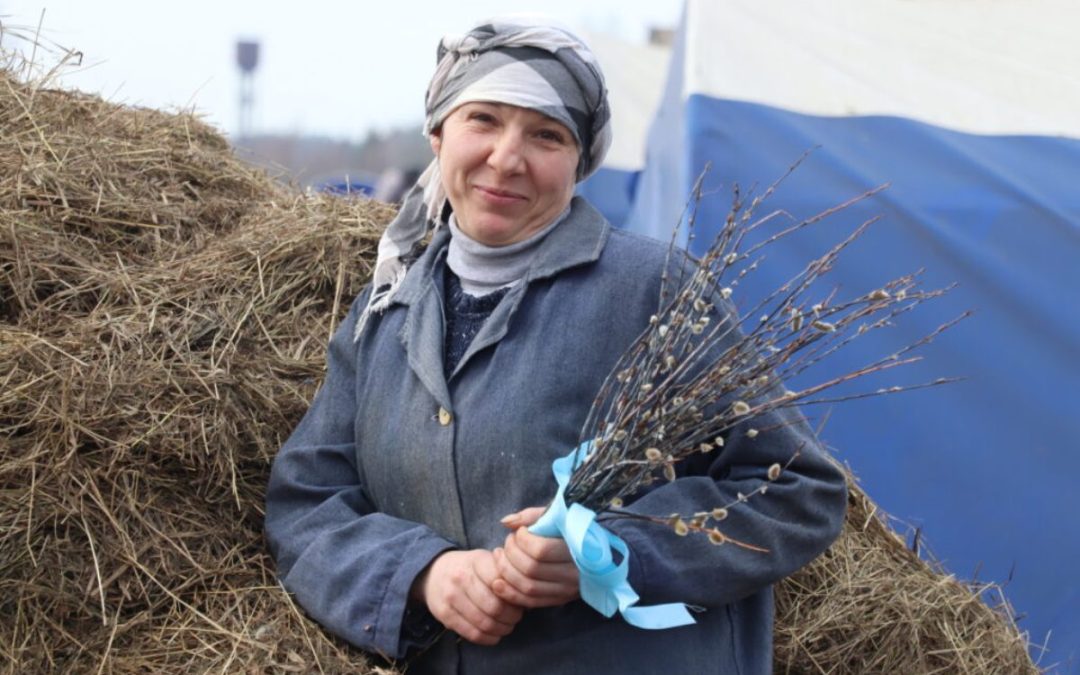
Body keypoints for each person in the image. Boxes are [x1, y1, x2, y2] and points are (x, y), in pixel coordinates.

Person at [265, 17, 847, 675]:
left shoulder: (650, 292)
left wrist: (610, 550)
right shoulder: (385, 311)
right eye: (483, 119)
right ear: (438, 135)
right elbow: (306, 501)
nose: (507, 158)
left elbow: (797, 488)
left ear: (579, 160)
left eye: (546, 134)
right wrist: (424, 573)